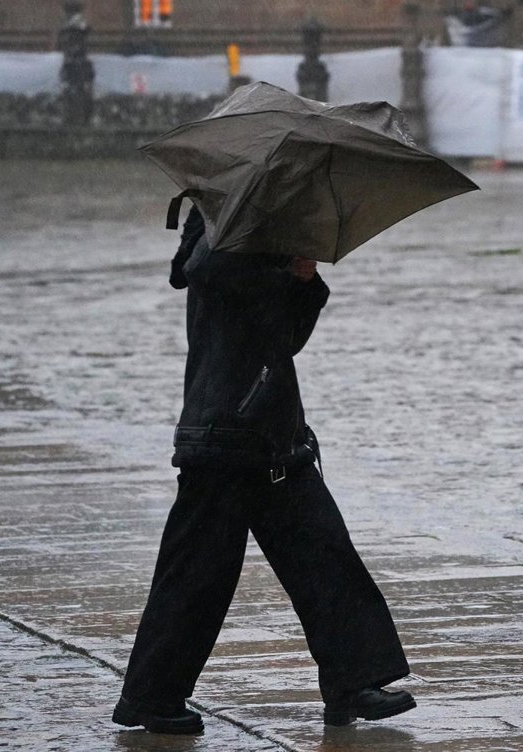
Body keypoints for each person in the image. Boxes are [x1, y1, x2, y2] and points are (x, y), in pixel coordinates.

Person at [112, 207, 415, 734]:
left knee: (325, 557)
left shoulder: (264, 226)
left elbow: (283, 338)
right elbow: (207, 268)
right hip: (225, 436)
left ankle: (354, 682)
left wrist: (303, 281)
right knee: (194, 577)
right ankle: (152, 698)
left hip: (272, 437)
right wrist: (281, 269)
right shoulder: (224, 217)